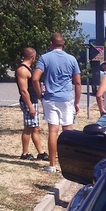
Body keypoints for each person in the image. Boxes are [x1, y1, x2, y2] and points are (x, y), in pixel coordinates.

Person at [32, 32, 81, 173]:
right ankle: (70, 163)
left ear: (50, 43)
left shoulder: (45, 58)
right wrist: (77, 102)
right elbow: (77, 82)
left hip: (50, 98)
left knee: (53, 131)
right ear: (63, 43)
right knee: (68, 131)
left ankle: (52, 164)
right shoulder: (71, 59)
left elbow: (35, 78)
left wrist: (40, 94)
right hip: (66, 99)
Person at [15, 47, 49, 161]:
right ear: (32, 57)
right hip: (28, 102)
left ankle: (41, 153)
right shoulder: (22, 70)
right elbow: (24, 90)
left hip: (33, 101)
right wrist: (30, 106)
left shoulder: (28, 69)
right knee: (29, 128)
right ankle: (25, 153)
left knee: (35, 128)